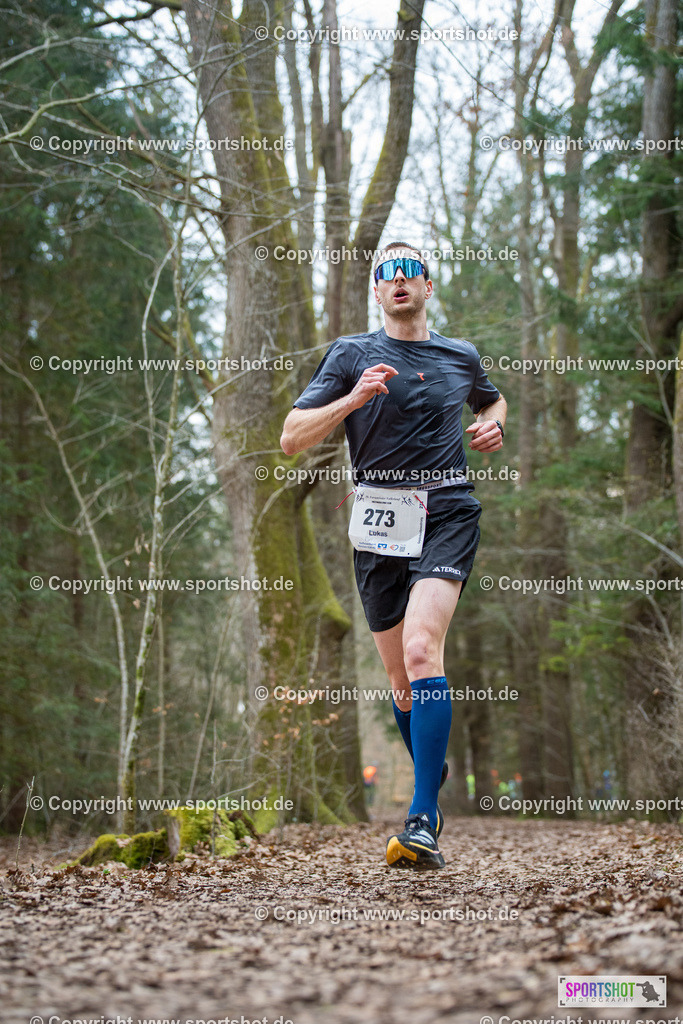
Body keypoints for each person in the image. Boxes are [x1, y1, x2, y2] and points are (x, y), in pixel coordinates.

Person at [280, 241, 506, 870]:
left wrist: (494, 424)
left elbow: (489, 399)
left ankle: (420, 816)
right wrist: (354, 399)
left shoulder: (459, 356)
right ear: (377, 291)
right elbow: (291, 437)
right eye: (388, 272)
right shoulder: (351, 354)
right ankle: (430, 789)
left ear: (428, 287)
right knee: (403, 684)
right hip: (379, 524)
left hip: (448, 510)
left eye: (412, 271)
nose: (400, 279)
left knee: (420, 648)